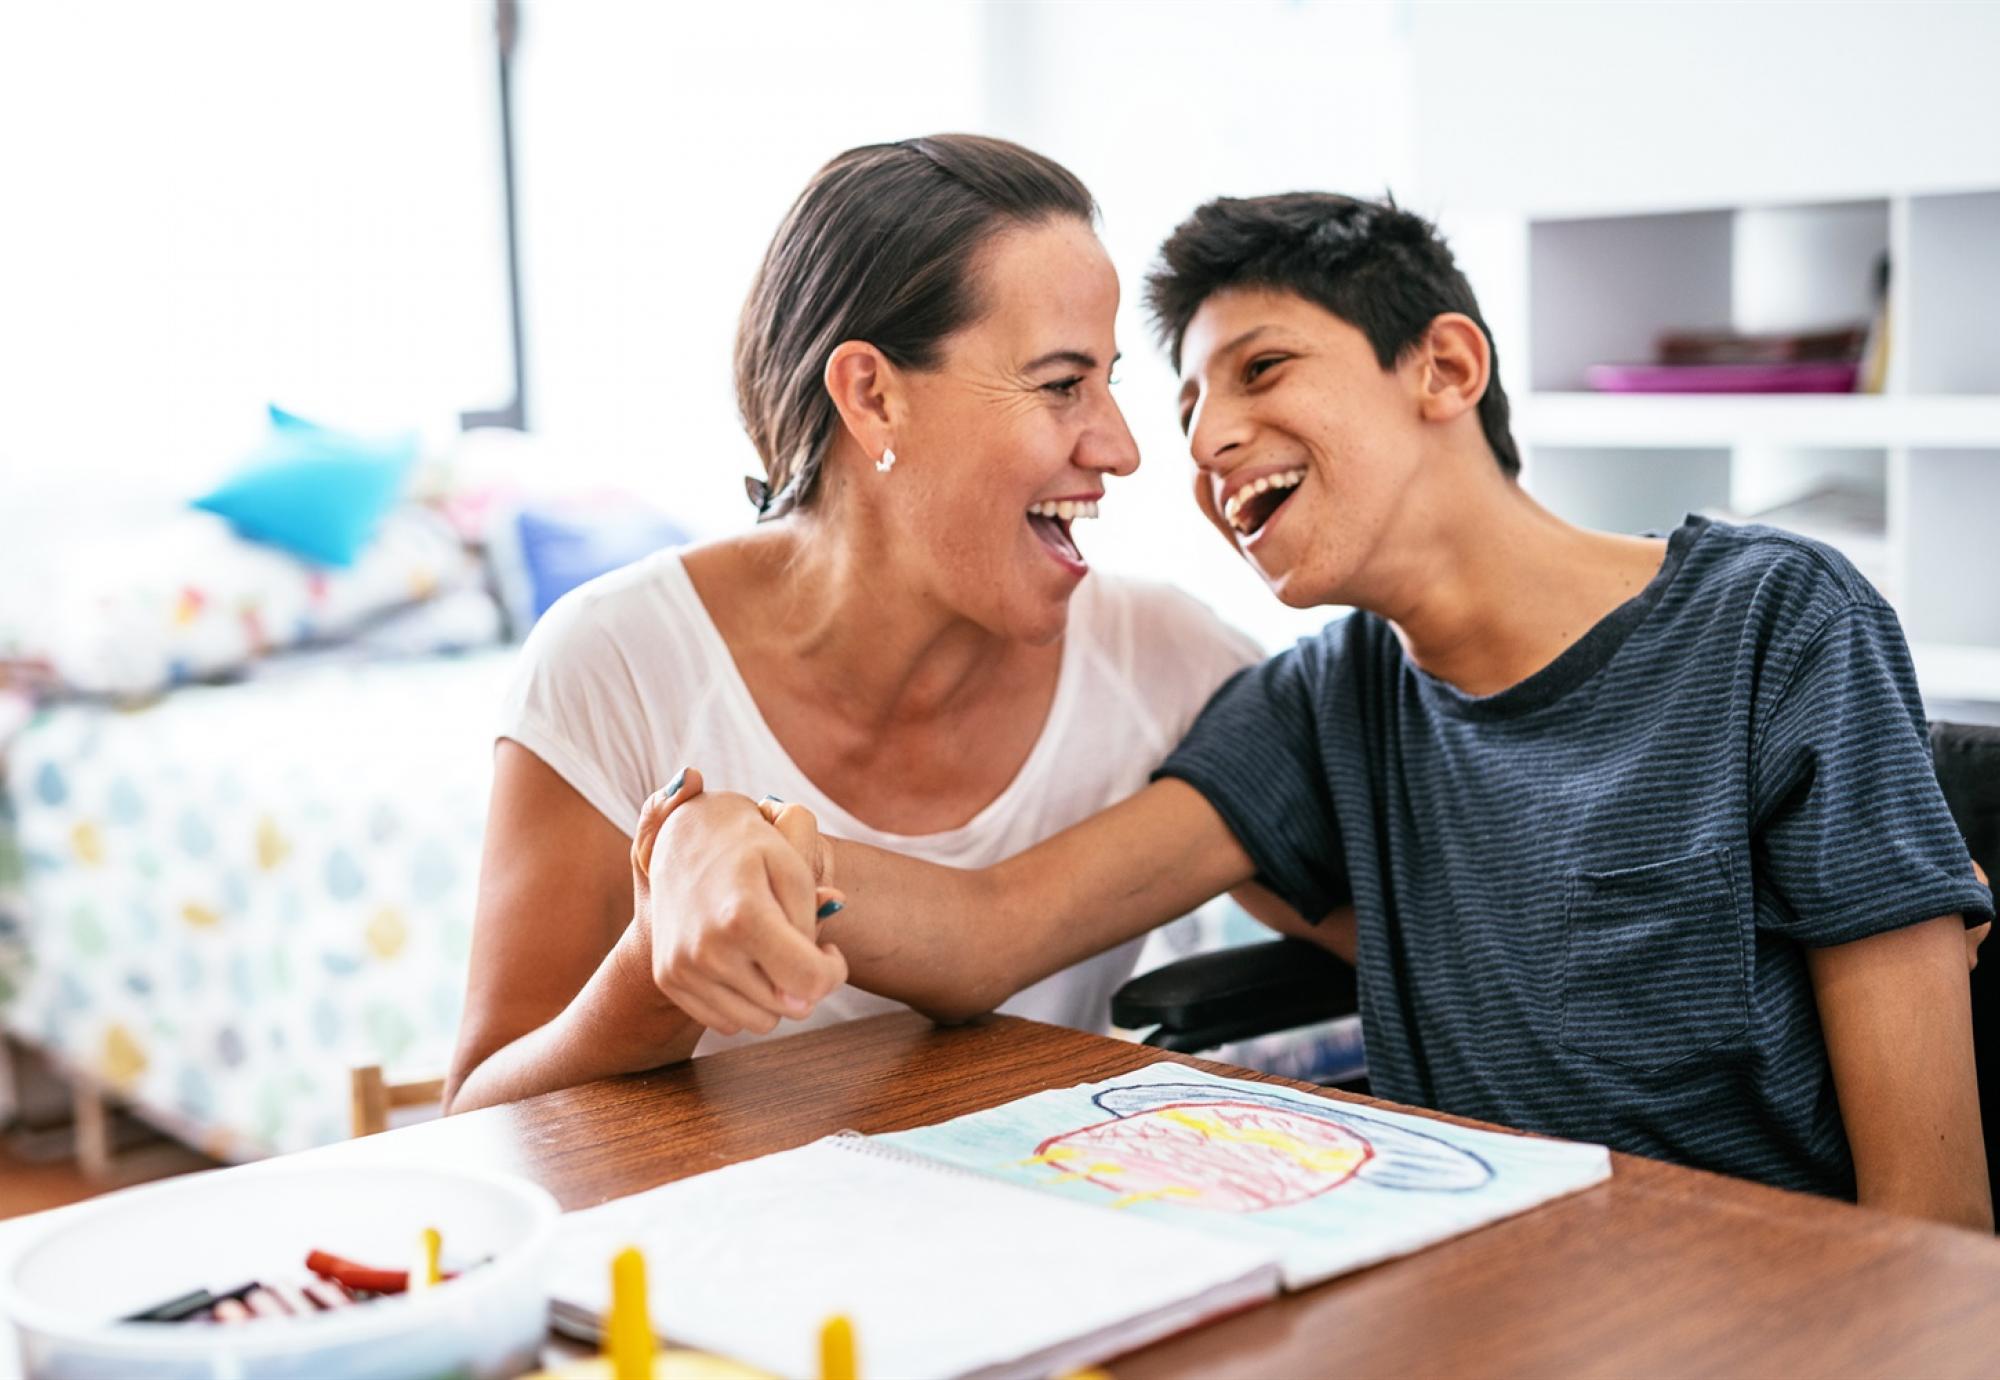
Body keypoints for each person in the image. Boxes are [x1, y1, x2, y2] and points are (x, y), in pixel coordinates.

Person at [642, 193, 1994, 1229]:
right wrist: (747, 843)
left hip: (1764, 1300)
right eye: (1186, 408)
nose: (1207, 442)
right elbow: (994, 928)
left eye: (1262, 371)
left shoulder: (1777, 625)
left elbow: (1931, 1225)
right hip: (1470, 1286)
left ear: (1446, 369)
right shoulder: (1328, 701)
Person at [442, 136, 1295, 1116]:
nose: (1123, 447)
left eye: (1108, 381)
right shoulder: (614, 662)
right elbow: (482, 1120)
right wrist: (657, 965)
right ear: (871, 396)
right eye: (1062, 384)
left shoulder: (1168, 660)